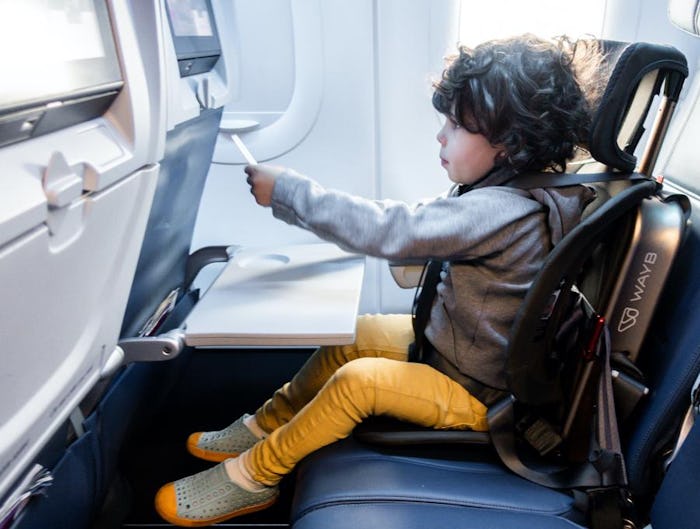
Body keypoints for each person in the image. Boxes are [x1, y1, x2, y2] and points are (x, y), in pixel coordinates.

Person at [155, 34, 603, 526]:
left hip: (479, 392)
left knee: (358, 381)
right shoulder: (524, 192)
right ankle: (265, 423)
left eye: (456, 125)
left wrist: (289, 192)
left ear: (509, 142)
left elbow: (392, 230)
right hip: (457, 353)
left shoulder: (500, 209)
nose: (441, 136)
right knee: (359, 335)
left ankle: (254, 476)